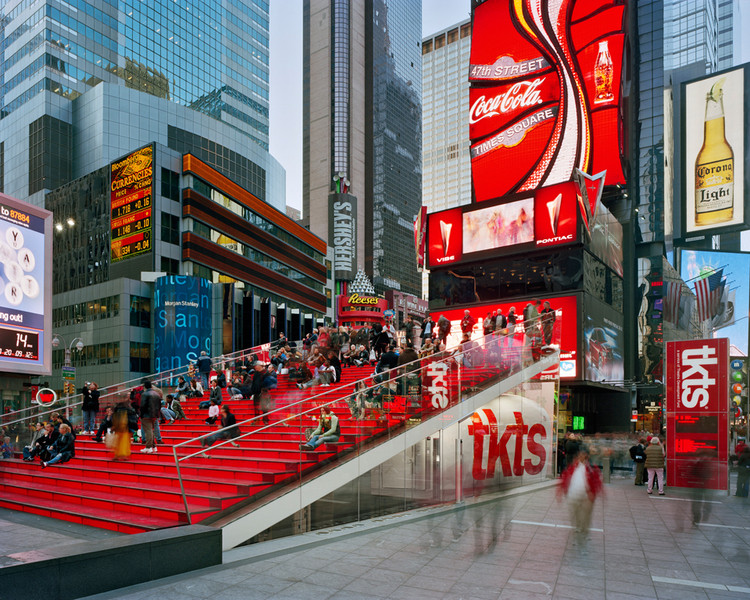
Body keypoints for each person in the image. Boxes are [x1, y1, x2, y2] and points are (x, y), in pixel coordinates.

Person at [558, 449, 603, 545]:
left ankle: (584, 531)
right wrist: (562, 492)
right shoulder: (572, 468)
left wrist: (593, 493)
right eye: (580, 455)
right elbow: (564, 478)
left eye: (583, 455)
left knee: (586, 517)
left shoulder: (591, 469)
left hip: (586, 498)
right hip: (573, 496)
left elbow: (597, 482)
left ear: (587, 457)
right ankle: (578, 530)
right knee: (575, 515)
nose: (581, 457)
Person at [139, 380, 161, 454]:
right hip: (154, 415)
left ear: (145, 386)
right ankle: (154, 446)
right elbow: (159, 405)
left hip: (146, 415)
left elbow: (142, 406)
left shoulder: (144, 394)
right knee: (151, 430)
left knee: (148, 431)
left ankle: (148, 447)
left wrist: (141, 415)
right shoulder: (157, 394)